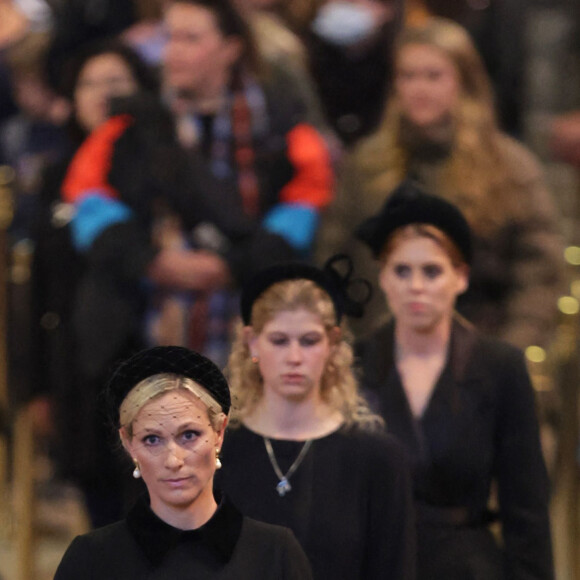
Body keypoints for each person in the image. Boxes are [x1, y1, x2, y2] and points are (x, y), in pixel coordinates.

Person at [317, 17, 565, 350]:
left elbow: (540, 271)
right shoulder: (366, 163)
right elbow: (334, 258)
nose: (419, 88)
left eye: (433, 76)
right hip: (380, 354)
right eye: (408, 76)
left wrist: (510, 353)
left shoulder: (508, 165)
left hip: (479, 353)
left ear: (464, 83)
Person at [355, 180, 554, 579]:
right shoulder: (353, 364)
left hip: (468, 567)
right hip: (375, 565)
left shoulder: (500, 368)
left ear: (460, 277)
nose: (416, 287)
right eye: (402, 270)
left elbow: (526, 510)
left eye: (431, 271)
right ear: (383, 277)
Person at [216, 258, 416, 580]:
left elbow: (393, 569)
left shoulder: (377, 458)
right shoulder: (217, 451)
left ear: (333, 344)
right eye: (279, 340)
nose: (294, 357)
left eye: (309, 341)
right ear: (252, 342)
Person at [54, 345, 313, 579]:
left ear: (219, 433)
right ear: (128, 443)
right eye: (152, 439)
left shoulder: (275, 554)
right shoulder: (91, 560)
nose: (173, 460)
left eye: (189, 435)